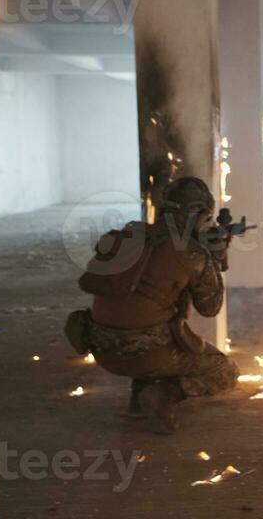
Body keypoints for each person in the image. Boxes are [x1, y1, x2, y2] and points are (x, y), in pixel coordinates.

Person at [65, 177, 239, 434]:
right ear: (201, 215)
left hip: (100, 348)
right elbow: (210, 307)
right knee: (224, 372)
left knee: (147, 319)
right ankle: (163, 393)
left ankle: (138, 396)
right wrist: (213, 256)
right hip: (149, 353)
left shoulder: (129, 235)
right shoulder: (192, 254)